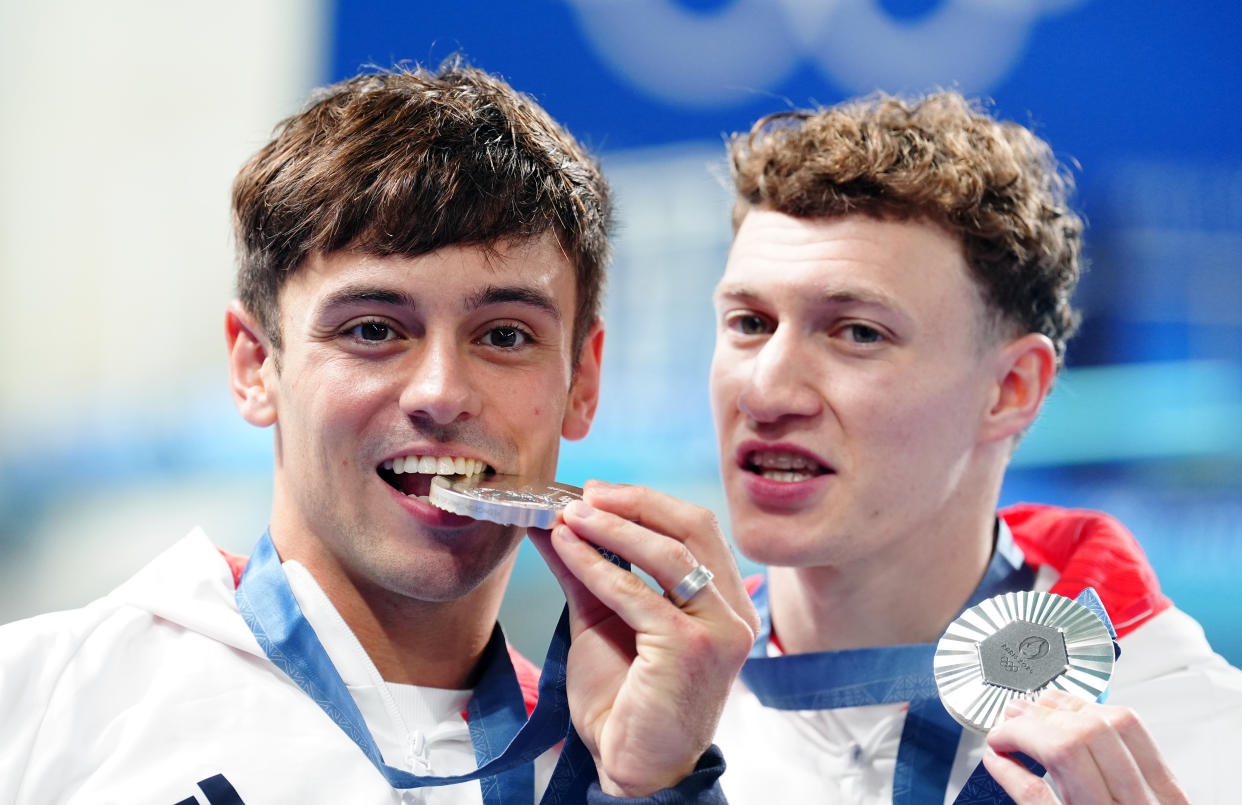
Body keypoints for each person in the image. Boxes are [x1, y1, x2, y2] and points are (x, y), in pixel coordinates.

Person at [0, 62, 756, 804]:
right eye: (372, 328)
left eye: (503, 336)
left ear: (582, 382)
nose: (440, 393)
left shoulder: (607, 752)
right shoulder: (44, 702)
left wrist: (653, 787)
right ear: (256, 362)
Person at [696, 91, 1242, 803]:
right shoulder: (638, 719)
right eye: (749, 321)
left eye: (858, 332)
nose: (766, 393)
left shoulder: (1190, 733)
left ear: (1011, 388)